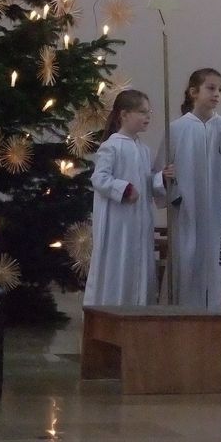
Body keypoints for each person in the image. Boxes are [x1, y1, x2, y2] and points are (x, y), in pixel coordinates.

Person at [83, 90, 174, 307]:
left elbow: (146, 183)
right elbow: (100, 178)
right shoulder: (111, 146)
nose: (148, 117)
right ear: (124, 114)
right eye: (142, 112)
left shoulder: (143, 149)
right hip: (118, 225)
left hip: (139, 224)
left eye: (148, 112)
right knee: (118, 266)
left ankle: (138, 313)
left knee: (138, 267)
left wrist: (161, 177)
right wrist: (123, 189)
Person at [159, 68, 221, 312]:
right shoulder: (177, 129)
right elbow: (159, 175)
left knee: (217, 267)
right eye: (210, 88)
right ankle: (182, 321)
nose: (217, 94)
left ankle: (217, 323)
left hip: (219, 211)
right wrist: (165, 180)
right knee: (187, 263)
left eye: (220, 89)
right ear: (193, 92)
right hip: (189, 211)